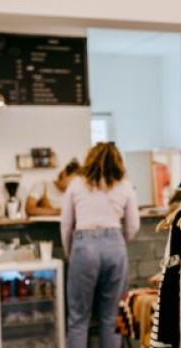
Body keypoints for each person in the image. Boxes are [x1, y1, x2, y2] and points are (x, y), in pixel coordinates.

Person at [61, 142, 140, 348]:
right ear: (118, 161)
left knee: (78, 318)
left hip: (84, 246)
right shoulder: (125, 185)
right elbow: (133, 225)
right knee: (112, 318)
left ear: (90, 159)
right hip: (115, 246)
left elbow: (66, 224)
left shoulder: (76, 183)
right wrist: (117, 242)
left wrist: (71, 252)